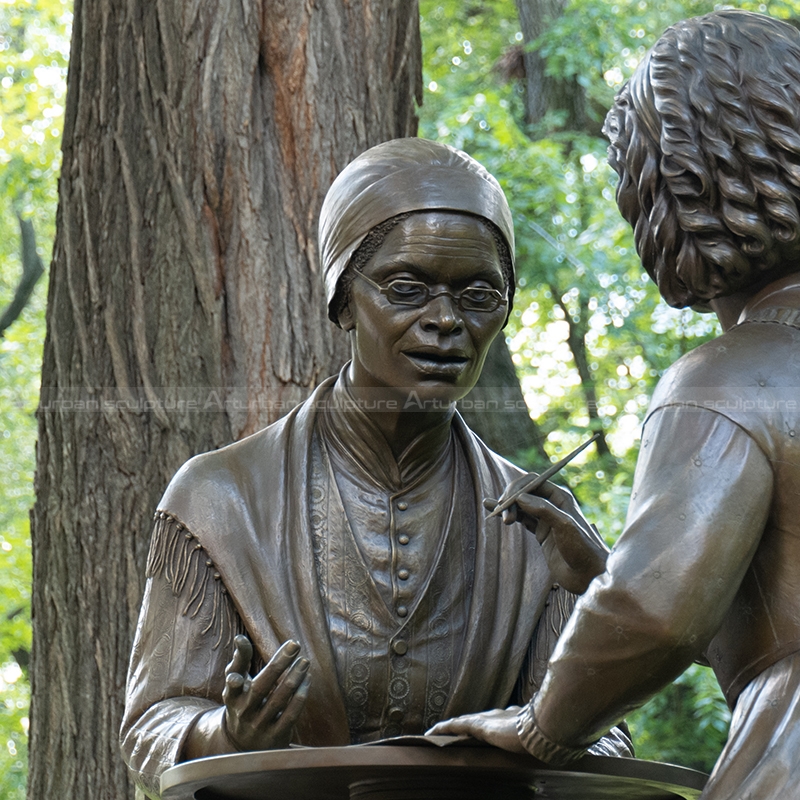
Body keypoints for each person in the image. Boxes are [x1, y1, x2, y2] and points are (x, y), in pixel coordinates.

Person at [119, 138, 630, 798]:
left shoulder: (543, 530)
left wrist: (597, 606)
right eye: (407, 289)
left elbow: (606, 732)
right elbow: (153, 722)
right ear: (342, 299)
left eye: (479, 295)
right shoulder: (220, 498)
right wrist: (229, 736)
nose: (445, 321)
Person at [429, 10, 800, 798]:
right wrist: (603, 567)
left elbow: (659, 616)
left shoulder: (728, 382)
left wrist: (541, 723)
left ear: (681, 184)